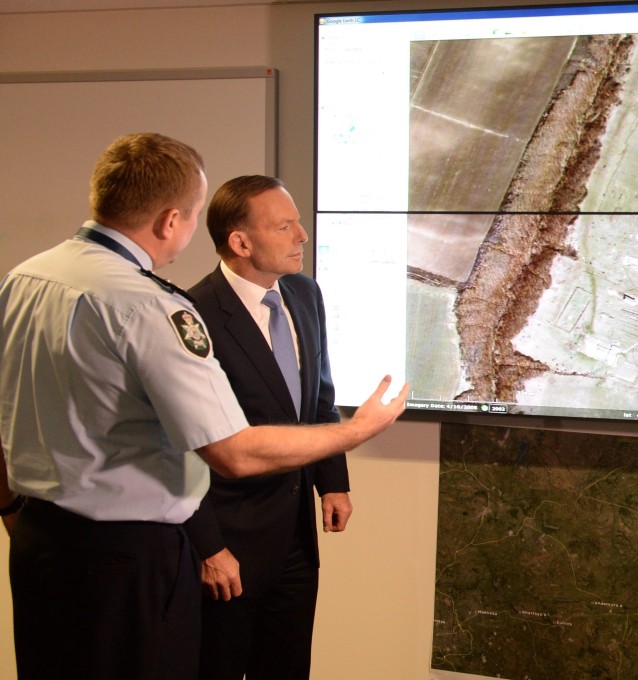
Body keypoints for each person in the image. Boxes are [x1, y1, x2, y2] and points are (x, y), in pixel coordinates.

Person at [0, 133, 408, 680]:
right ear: (172, 220)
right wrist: (356, 432)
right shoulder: (150, 304)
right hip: (130, 560)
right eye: (193, 218)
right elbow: (232, 453)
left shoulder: (24, 279)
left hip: (41, 543)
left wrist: (11, 512)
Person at [183, 175, 347, 679]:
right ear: (241, 241)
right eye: (285, 226)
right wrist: (209, 547)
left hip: (297, 538)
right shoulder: (193, 314)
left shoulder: (304, 294)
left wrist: (332, 482)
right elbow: (182, 447)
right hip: (229, 548)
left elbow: (319, 399)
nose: (302, 235)